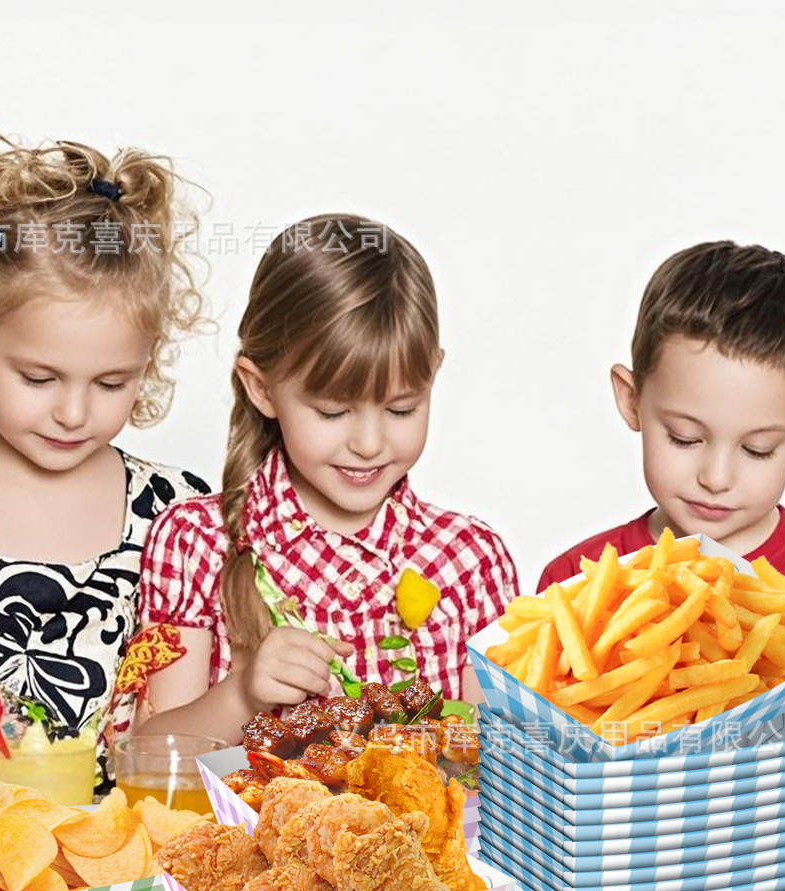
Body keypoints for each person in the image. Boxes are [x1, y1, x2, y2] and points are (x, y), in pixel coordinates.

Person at [0, 134, 210, 786]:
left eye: (111, 384)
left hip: (129, 872)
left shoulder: (177, 514)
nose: (74, 413)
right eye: (40, 378)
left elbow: (183, 758)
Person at [136, 214, 519, 745]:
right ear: (261, 388)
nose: (368, 442)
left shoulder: (470, 561)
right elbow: (148, 756)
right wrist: (241, 695)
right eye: (334, 412)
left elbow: (499, 765)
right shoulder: (196, 542)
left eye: (402, 409)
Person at [537, 241, 785, 708]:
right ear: (631, 401)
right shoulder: (572, 587)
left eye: (757, 449)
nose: (716, 476)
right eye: (685, 438)